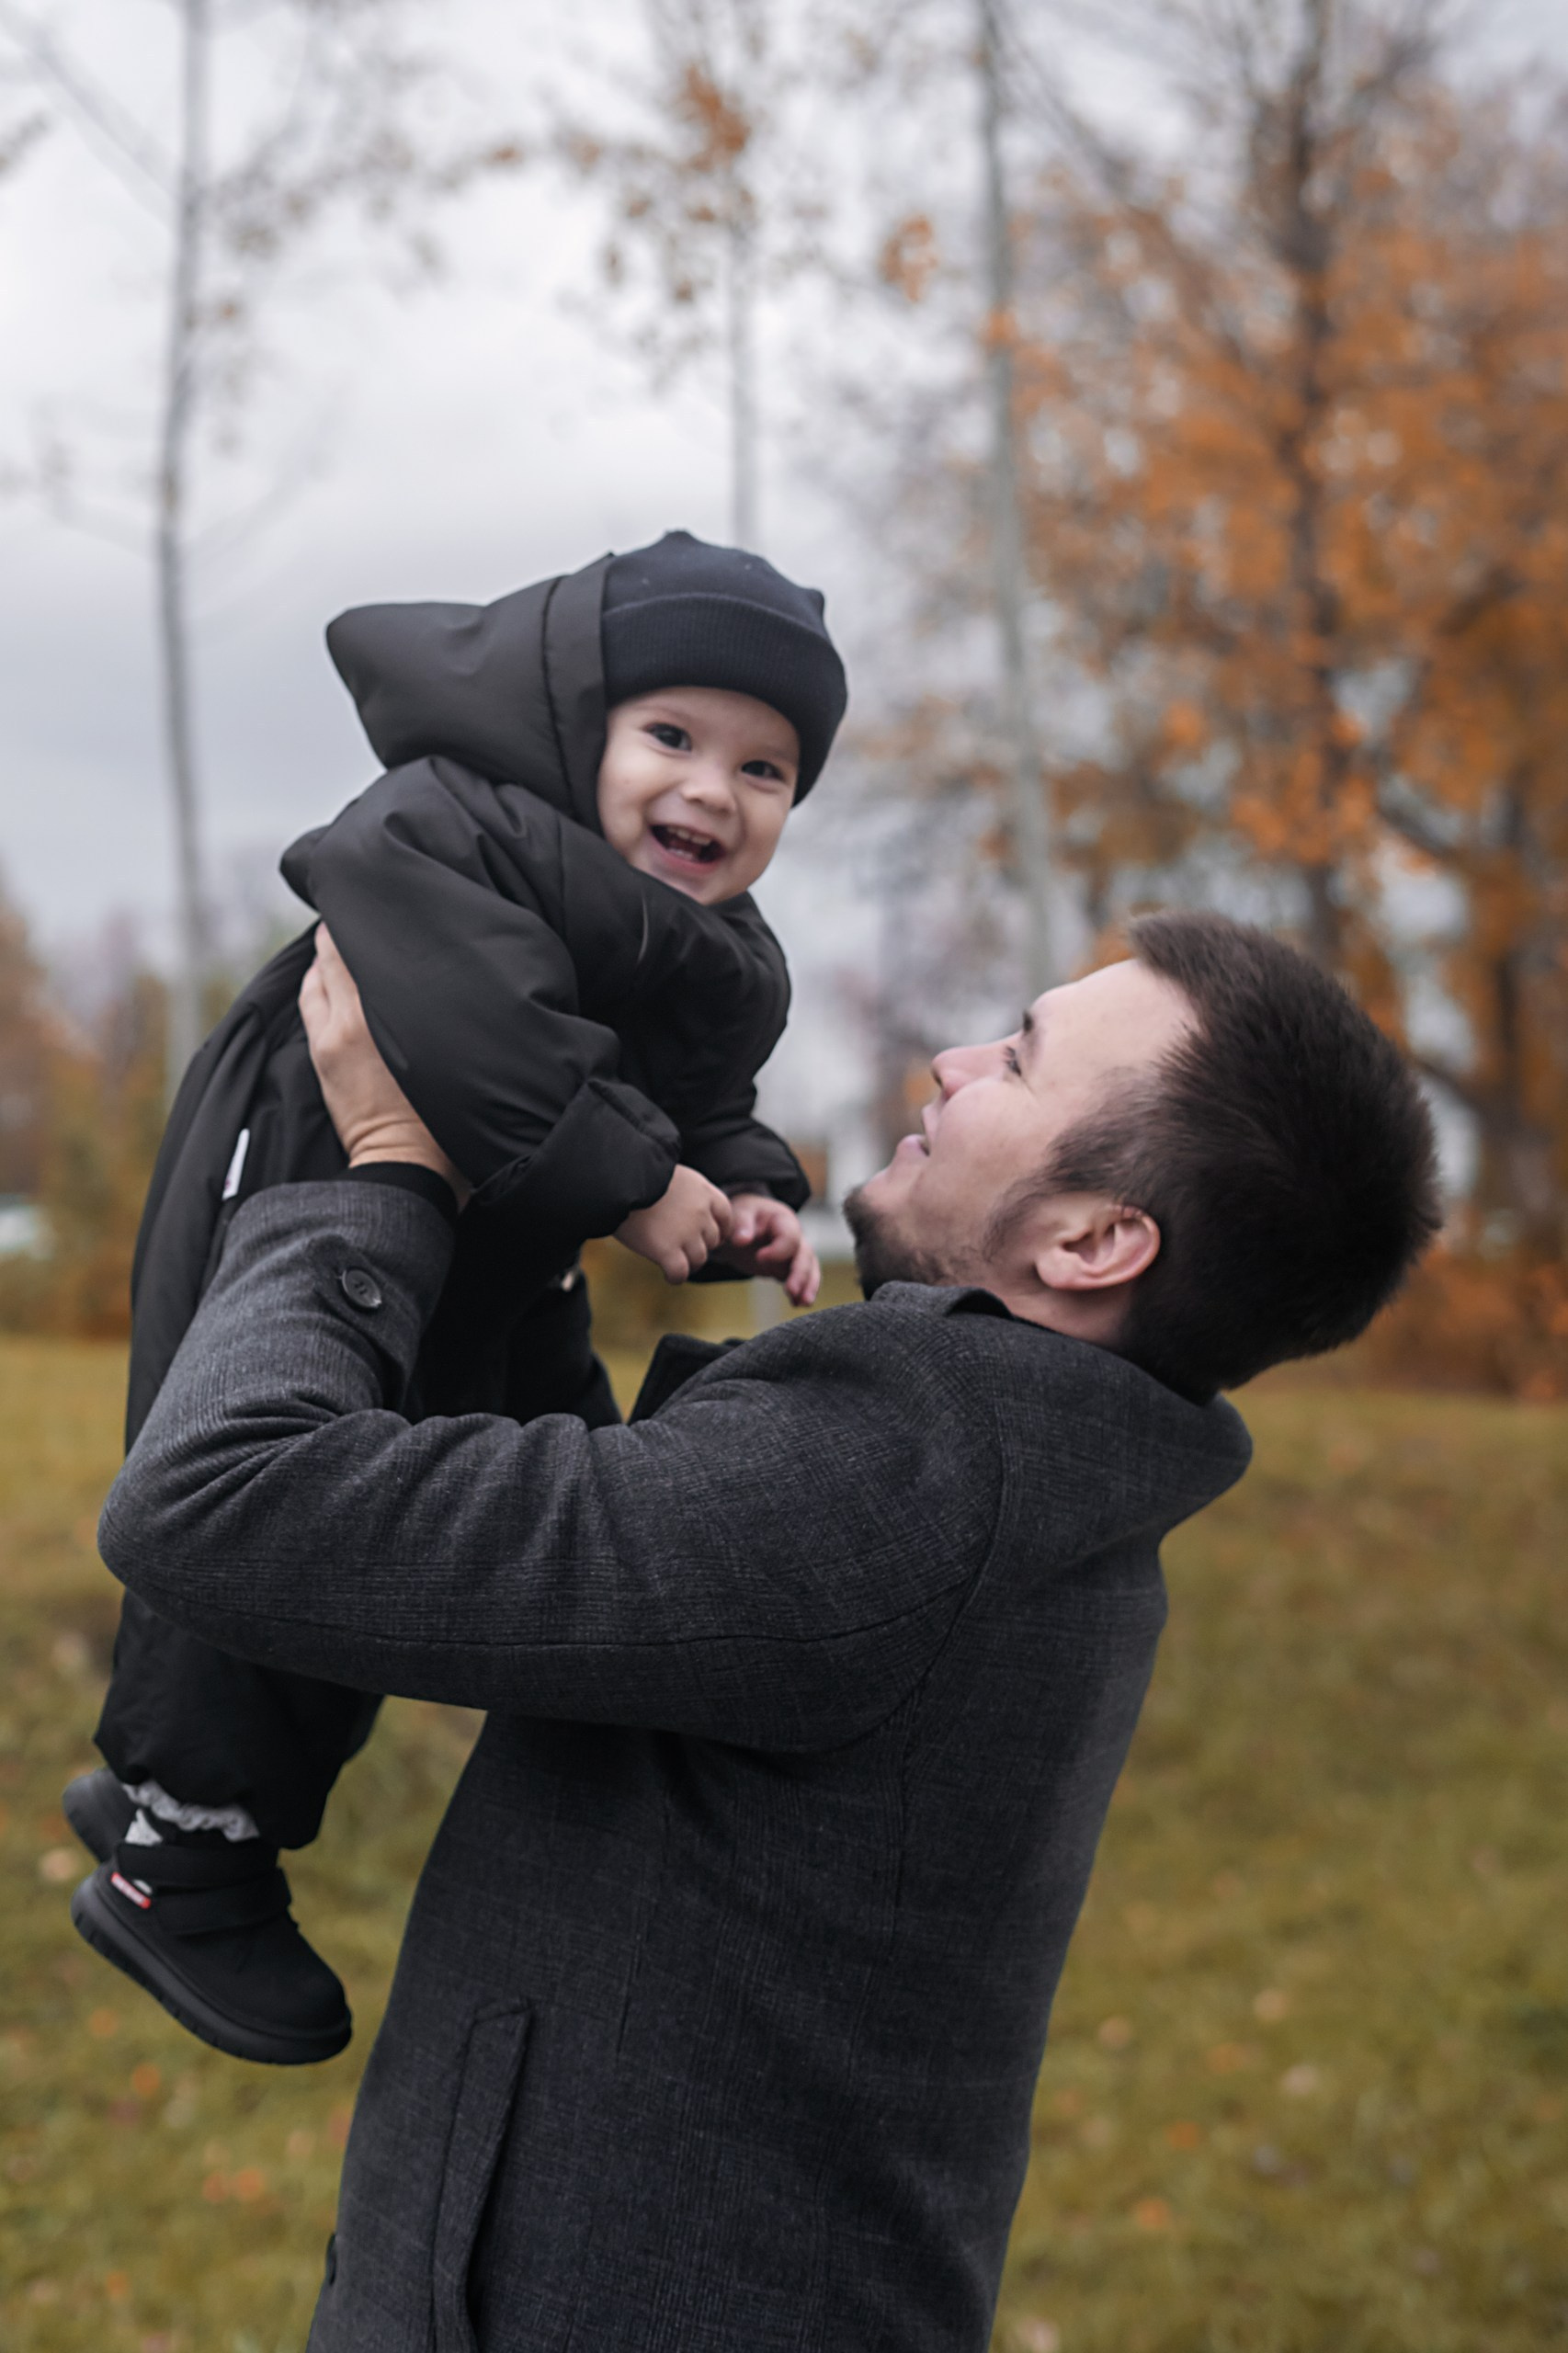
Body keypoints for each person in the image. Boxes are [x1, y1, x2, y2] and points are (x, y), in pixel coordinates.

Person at [97, 911, 1439, 2353]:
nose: (950, 1060)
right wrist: (537, 1236)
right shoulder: (1013, 1475)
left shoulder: (897, 1486)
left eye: (1019, 1059)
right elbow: (622, 1561)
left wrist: (382, 1176)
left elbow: (213, 1501)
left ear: (1095, 1240)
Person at [65, 529, 849, 2067]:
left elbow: (698, 1083)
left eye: (766, 771)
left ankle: (177, 1796)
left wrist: (742, 1177)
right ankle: (186, 1855)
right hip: (320, 1175)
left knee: (523, 1491)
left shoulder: (706, 938)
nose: (711, 792)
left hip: (504, 1233)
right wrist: (636, 1182)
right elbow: (470, 1025)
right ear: (578, 721)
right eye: (672, 737)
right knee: (293, 1488)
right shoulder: (457, 821)